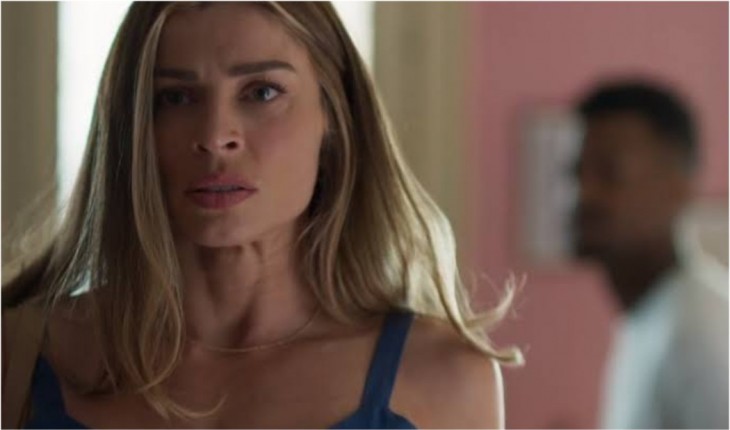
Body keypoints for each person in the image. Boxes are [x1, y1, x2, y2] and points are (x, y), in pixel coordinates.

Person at [1, 2, 522, 429]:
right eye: (176, 97)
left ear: (334, 116)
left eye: (261, 92)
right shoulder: (18, 356)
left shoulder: (442, 378)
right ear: (132, 127)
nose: (215, 135)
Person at [571, 80, 728, 429]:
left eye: (609, 173)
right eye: (576, 173)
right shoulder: (650, 315)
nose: (583, 194)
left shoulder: (702, 333)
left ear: (678, 186)